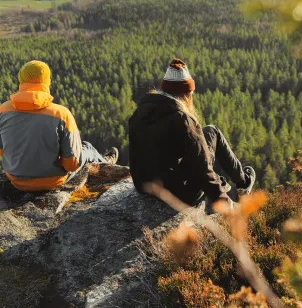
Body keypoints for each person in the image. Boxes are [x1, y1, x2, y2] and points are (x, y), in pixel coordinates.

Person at [129, 58, 256, 205]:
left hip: (143, 186)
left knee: (206, 134)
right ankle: (243, 183)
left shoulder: (139, 113)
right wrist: (224, 202)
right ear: (186, 94)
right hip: (178, 194)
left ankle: (240, 182)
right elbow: (203, 171)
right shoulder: (183, 120)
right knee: (212, 132)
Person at [0, 60, 118, 192]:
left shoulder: (2, 110)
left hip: (16, 180)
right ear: (46, 81)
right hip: (52, 181)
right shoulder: (61, 114)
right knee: (87, 148)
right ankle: (105, 163)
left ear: (21, 81)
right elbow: (72, 164)